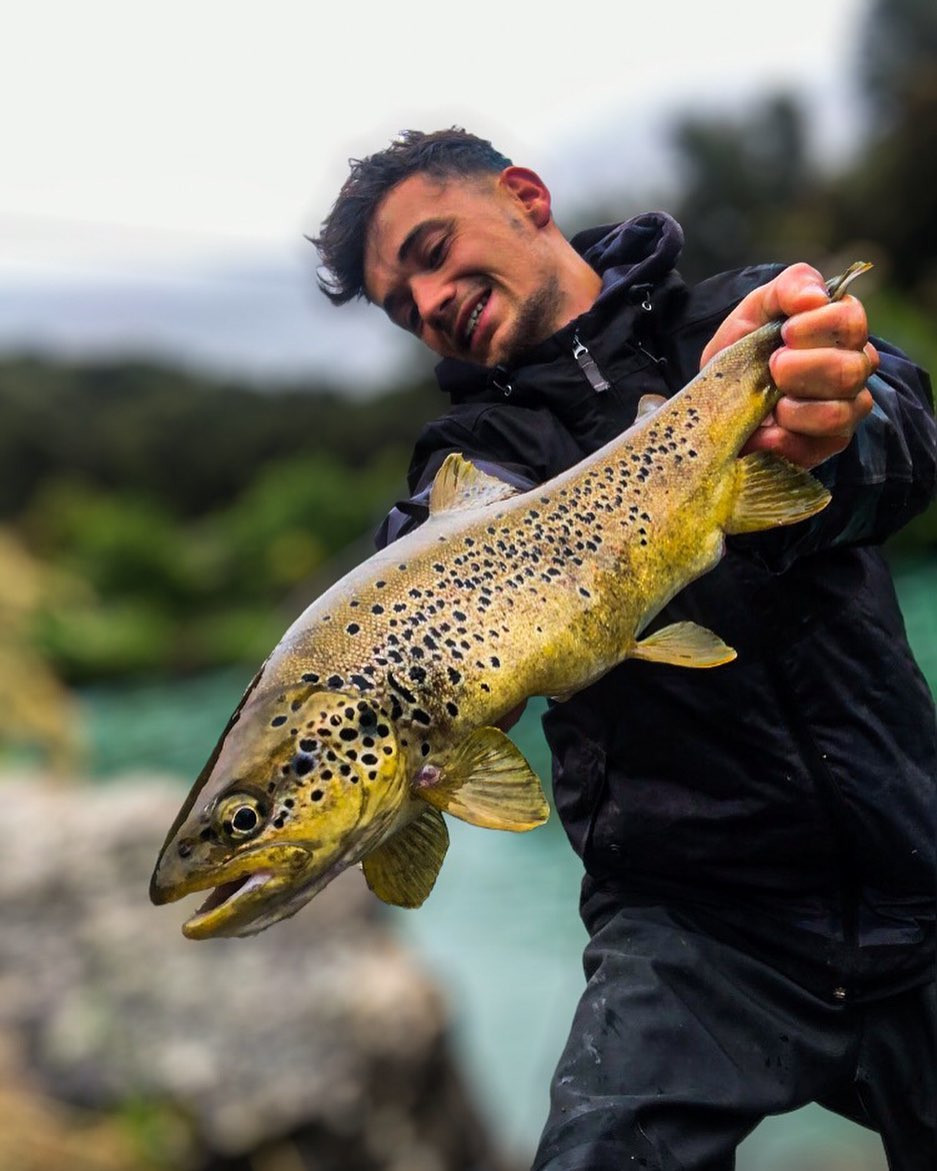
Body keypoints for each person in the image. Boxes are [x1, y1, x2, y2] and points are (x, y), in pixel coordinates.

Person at [313, 128, 936, 1170]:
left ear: (523, 195)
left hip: (913, 864)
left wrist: (837, 427)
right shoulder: (469, 465)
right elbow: (414, 556)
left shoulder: (735, 328)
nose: (424, 305)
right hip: (690, 935)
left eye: (427, 251)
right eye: (397, 305)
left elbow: (908, 445)